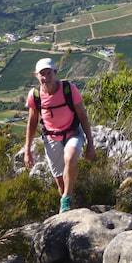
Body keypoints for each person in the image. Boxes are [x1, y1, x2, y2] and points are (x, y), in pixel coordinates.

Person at [24, 58, 96, 213]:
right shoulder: (35, 95)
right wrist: (27, 149)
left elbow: (82, 116)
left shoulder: (69, 90)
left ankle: (66, 200)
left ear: (55, 73)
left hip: (72, 133)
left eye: (49, 73)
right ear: (36, 75)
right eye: (42, 74)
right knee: (61, 183)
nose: (46, 77)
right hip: (51, 139)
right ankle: (71, 208)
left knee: (70, 158)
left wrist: (90, 143)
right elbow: (32, 122)